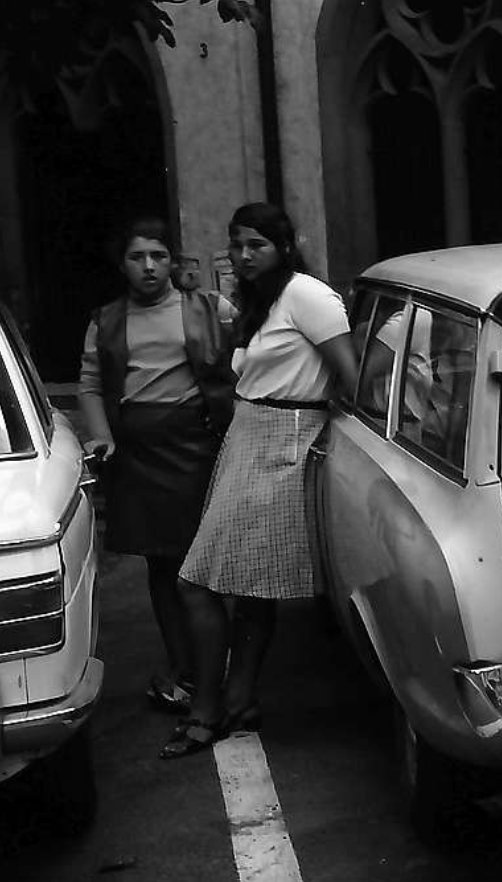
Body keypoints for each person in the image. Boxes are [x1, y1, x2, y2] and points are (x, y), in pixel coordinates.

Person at [159, 203, 358, 759]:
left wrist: (314, 442)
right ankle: (239, 698)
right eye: (237, 245)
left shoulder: (309, 295)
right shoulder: (258, 300)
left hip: (284, 440)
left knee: (195, 582)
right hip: (249, 435)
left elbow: (351, 376)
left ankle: (206, 710)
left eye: (257, 246)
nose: (244, 257)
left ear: (285, 245)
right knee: (251, 587)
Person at [77, 217, 237, 715]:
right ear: (121, 264)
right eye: (137, 257)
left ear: (174, 261)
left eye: (159, 256)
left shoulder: (210, 309)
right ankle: (183, 669)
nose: (149, 267)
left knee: (201, 564)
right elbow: (88, 384)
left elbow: (254, 348)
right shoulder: (106, 320)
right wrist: (101, 435)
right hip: (137, 454)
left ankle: (214, 670)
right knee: (161, 565)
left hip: (196, 447)